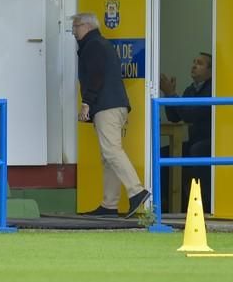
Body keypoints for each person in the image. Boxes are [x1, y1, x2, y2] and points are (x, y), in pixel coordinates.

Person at [73, 12, 151, 217]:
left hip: (107, 105)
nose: (73, 31)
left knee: (112, 151)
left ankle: (136, 191)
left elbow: (96, 76)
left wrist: (87, 102)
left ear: (87, 26)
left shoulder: (93, 45)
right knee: (108, 156)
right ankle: (109, 204)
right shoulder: (99, 44)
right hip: (112, 105)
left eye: (76, 26)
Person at [160, 52, 212, 210]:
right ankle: (165, 204)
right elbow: (174, 117)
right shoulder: (191, 89)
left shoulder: (212, 88)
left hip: (210, 141)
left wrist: (172, 95)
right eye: (194, 62)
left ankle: (204, 205)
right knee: (163, 153)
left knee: (197, 150)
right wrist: (169, 96)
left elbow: (191, 114)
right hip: (194, 141)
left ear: (210, 70)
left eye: (200, 63)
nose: (194, 66)